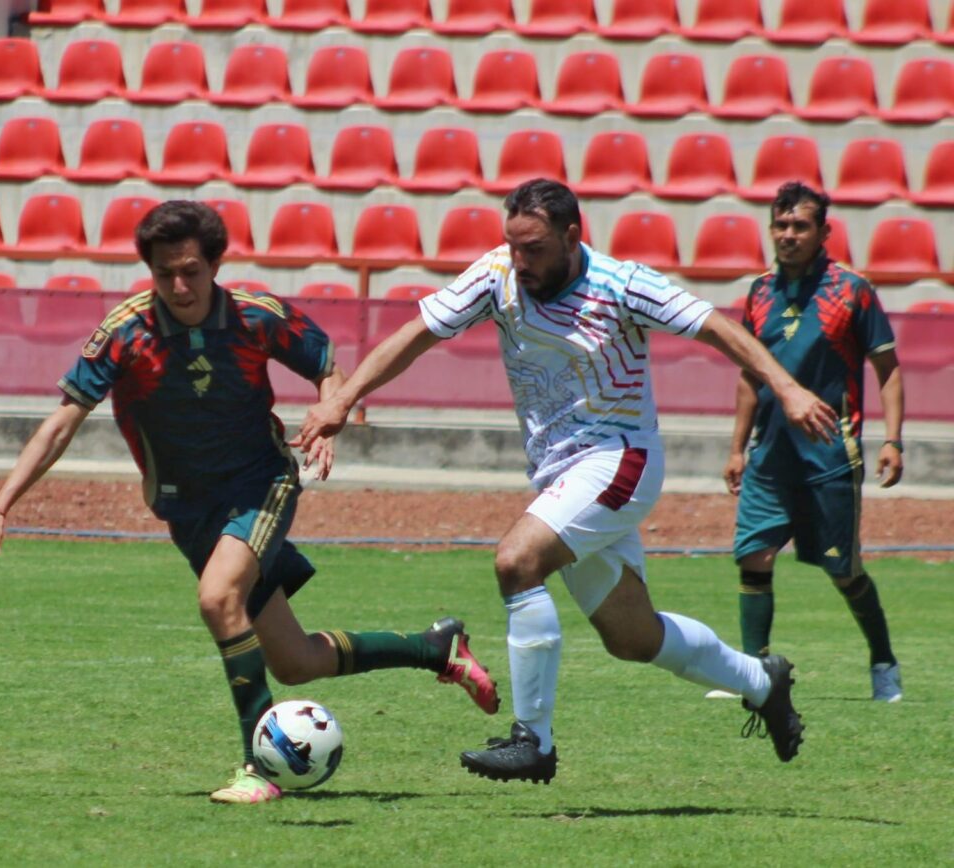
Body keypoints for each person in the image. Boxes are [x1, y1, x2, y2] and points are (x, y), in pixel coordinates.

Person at [293, 178, 839, 783]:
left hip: (620, 460)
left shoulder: (622, 285)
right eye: (513, 245)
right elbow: (419, 332)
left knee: (517, 560)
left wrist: (786, 388)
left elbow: (715, 326)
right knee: (633, 638)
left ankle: (534, 741)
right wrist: (343, 398)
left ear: (572, 236)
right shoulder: (498, 275)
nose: (520, 260)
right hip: (561, 473)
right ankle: (761, 682)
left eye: (534, 248)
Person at [0, 200, 498, 805]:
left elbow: (325, 365)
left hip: (260, 484)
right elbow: (63, 422)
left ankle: (259, 768)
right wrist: (0, 503)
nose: (178, 287)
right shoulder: (125, 333)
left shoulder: (256, 318)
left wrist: (328, 415)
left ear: (215, 265)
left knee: (219, 598)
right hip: (187, 511)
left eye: (191, 271)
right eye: (164, 274)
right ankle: (436, 649)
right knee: (294, 661)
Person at [721, 181, 904, 702]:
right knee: (754, 557)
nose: (788, 234)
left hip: (830, 458)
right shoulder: (759, 292)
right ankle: (754, 674)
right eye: (780, 224)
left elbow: (888, 369)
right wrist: (736, 448)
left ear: (824, 232)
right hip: (769, 457)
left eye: (800, 225)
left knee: (843, 571)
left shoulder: (853, 291)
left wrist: (893, 440)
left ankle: (884, 661)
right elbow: (749, 375)